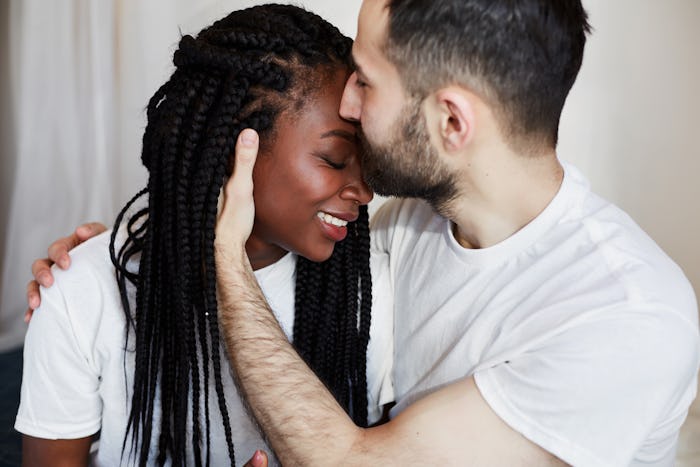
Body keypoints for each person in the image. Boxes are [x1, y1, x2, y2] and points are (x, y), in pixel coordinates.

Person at [26, 0, 700, 465]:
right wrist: (116, 256)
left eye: (368, 82)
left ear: (451, 123)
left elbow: (349, 458)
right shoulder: (401, 232)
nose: (349, 98)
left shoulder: (628, 317)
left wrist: (221, 258)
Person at [15, 4, 394, 467]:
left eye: (366, 159)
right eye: (336, 159)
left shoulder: (370, 285)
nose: (364, 189)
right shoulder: (81, 291)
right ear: (236, 150)